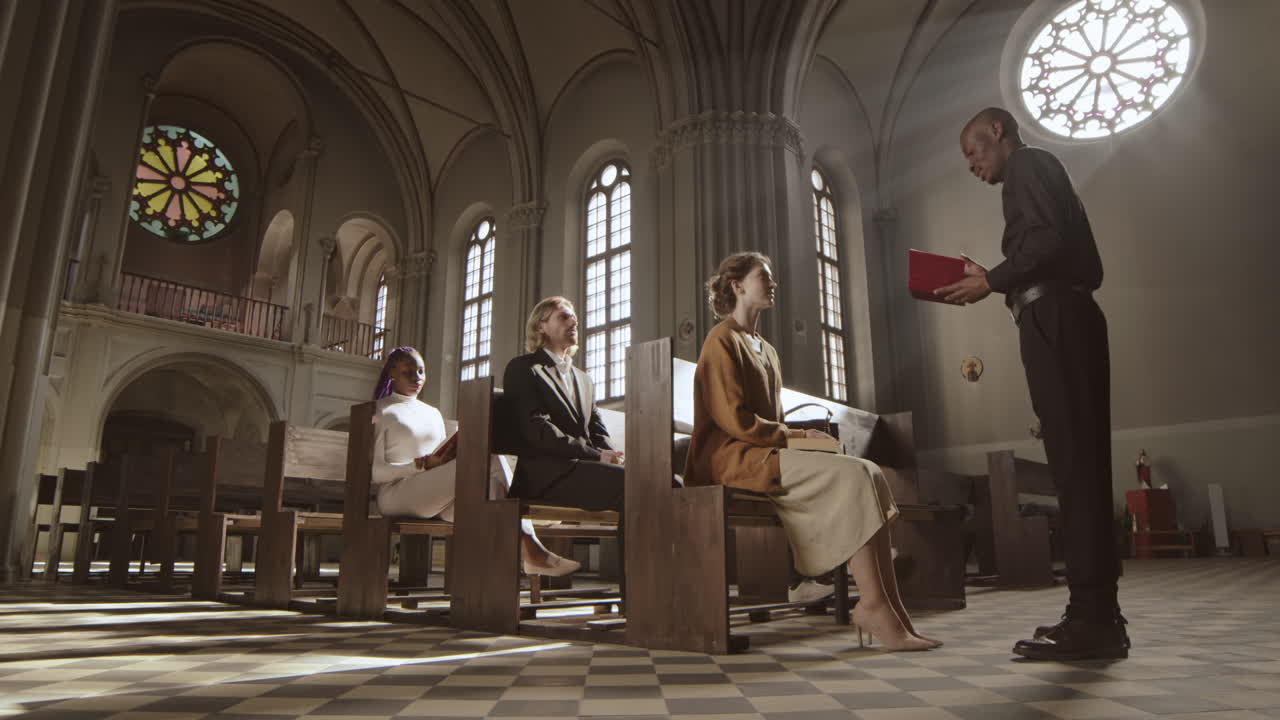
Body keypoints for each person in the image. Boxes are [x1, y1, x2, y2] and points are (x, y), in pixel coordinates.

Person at [937, 107, 1126, 661]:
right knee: (1078, 466)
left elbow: (1043, 246)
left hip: (1058, 321)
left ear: (998, 131)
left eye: (973, 150)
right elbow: (1044, 247)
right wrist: (994, 277)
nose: (971, 164)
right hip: (1060, 317)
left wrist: (991, 280)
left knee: (1076, 467)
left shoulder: (1028, 165)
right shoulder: (1034, 173)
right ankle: (1095, 614)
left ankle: (1094, 619)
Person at [684, 252, 938, 652]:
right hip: (730, 456)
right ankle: (873, 606)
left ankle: (892, 609)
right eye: (763, 276)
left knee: (868, 471)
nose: (773, 283)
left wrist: (800, 438)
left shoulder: (765, 348)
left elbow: (776, 421)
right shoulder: (721, 340)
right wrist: (797, 438)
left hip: (761, 451)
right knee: (853, 475)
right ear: (737, 286)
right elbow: (736, 421)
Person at [371, 346, 579, 576]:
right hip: (396, 494)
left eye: (420, 371)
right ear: (391, 373)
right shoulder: (380, 410)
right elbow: (374, 473)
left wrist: (446, 456)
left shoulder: (432, 413)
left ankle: (489, 581)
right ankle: (531, 542)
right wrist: (419, 466)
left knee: (492, 488)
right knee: (488, 461)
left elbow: (442, 455)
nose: (416, 378)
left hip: (435, 495)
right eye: (407, 372)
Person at [501, 298, 625, 512]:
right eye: (565, 317)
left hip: (581, 469)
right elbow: (538, 430)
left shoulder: (584, 380)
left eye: (575, 318)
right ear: (541, 326)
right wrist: (597, 456)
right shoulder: (524, 368)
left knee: (665, 483)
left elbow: (597, 430)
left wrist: (614, 456)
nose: (574, 323)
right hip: (545, 477)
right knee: (632, 485)